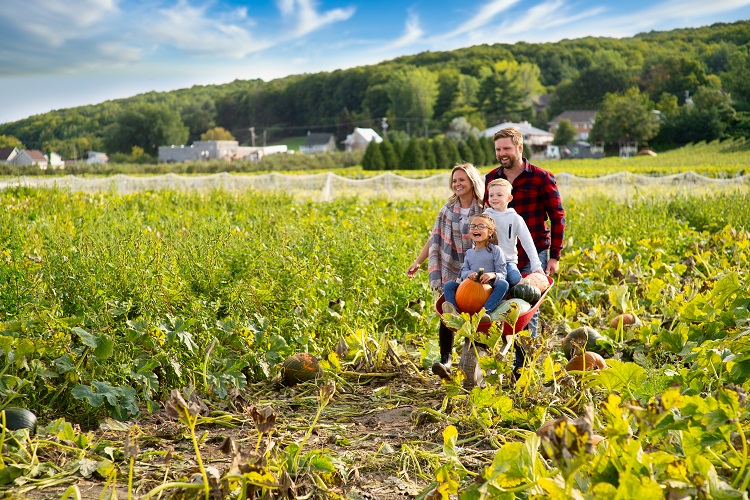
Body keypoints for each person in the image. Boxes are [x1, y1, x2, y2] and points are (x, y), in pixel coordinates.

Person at [484, 127, 565, 380]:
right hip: (499, 256)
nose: (502, 154)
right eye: (498, 149)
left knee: (525, 309)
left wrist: (554, 256)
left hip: (533, 254)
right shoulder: (491, 179)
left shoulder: (542, 178)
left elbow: (557, 217)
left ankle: (522, 370)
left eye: (507, 148)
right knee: (495, 305)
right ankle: (489, 363)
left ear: (520, 148)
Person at [406, 163, 485, 379]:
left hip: (477, 267)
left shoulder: (484, 208)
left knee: (477, 311)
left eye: (462, 180)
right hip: (451, 267)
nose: (457, 184)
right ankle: (446, 360)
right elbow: (436, 237)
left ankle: (472, 362)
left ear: (472, 182)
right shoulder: (448, 209)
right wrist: (418, 261)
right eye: (454, 180)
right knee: (447, 309)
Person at [441, 213, 509, 323]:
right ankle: (454, 311)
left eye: (481, 226)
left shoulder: (495, 250)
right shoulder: (469, 253)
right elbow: (463, 271)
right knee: (449, 285)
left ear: (490, 232)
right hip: (469, 290)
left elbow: (502, 273)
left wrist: (492, 275)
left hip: (487, 290)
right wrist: (470, 274)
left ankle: (485, 312)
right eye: (473, 226)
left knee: (503, 284)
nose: (476, 229)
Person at [484, 179, 545, 286]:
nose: (494, 198)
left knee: (515, 279)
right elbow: (476, 240)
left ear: (509, 198)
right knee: (486, 284)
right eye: (491, 195)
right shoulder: (485, 217)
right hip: (488, 262)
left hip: (508, 261)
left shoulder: (515, 218)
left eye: (499, 195)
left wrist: (536, 266)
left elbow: (528, 242)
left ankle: (512, 300)